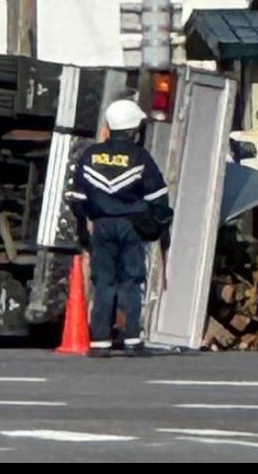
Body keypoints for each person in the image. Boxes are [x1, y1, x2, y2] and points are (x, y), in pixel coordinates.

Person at [65, 99, 172, 358]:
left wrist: (83, 230)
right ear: (133, 128)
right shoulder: (139, 157)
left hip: (100, 226)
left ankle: (100, 341)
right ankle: (132, 339)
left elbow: (76, 199)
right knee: (132, 282)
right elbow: (158, 197)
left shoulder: (90, 156)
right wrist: (156, 225)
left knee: (104, 282)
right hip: (131, 226)